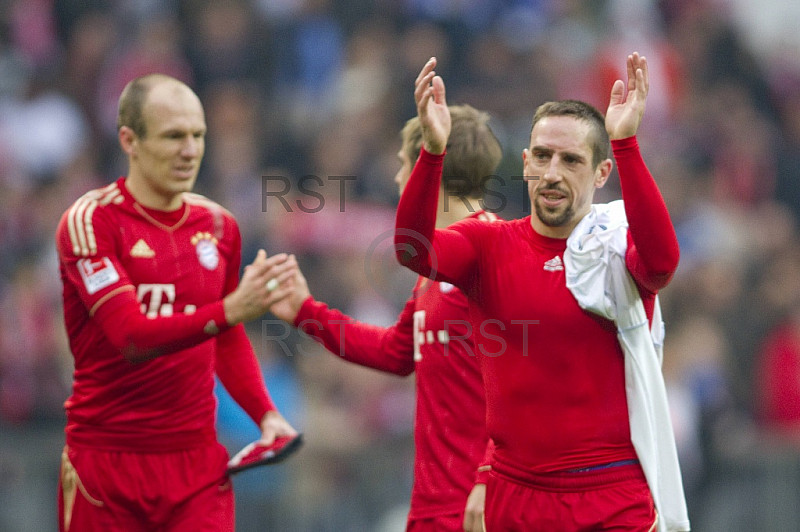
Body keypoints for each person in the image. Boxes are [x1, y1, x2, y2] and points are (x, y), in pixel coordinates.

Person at [394, 55, 690, 532]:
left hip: (611, 499)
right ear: (526, 162)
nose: (553, 172)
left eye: (571, 160)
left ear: (601, 173)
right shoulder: (487, 244)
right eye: (543, 156)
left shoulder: (617, 246)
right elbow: (414, 251)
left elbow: (662, 265)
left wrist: (628, 142)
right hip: (517, 500)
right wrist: (432, 150)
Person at [55, 74, 300, 532]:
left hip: (195, 467)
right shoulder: (91, 222)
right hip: (107, 465)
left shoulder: (220, 227)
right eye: (173, 136)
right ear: (130, 140)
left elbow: (224, 337)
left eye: (198, 135)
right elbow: (130, 336)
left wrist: (265, 414)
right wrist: (230, 311)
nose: (190, 150)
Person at [270, 105, 503, 532]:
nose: (397, 180)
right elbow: (395, 352)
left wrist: (489, 478)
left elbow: (526, 386)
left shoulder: (499, 255)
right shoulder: (434, 271)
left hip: (483, 507)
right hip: (435, 503)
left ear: (427, 170)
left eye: (402, 166)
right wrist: (305, 311)